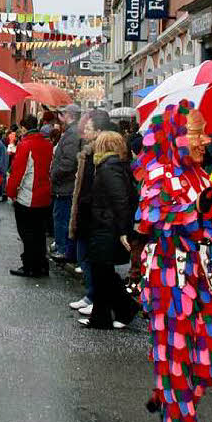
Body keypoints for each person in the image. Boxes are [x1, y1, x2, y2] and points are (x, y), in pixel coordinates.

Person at [133, 102, 212, 422]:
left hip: (203, 275)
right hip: (171, 281)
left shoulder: (199, 174)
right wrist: (201, 207)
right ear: (176, 137)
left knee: (209, 352)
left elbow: (208, 223)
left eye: (205, 132)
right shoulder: (158, 175)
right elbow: (156, 220)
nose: (206, 140)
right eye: (197, 133)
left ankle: (166, 396)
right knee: (177, 356)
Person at [79, 131, 139, 329]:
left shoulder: (108, 168)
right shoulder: (113, 166)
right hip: (107, 227)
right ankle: (115, 312)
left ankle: (112, 313)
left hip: (106, 228)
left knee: (102, 274)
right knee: (104, 274)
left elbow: (120, 200)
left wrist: (123, 230)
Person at [67, 110, 114, 313]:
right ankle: (91, 295)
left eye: (88, 129)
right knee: (83, 256)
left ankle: (97, 298)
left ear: (99, 131)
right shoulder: (87, 152)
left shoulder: (103, 157)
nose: (84, 131)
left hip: (95, 216)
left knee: (93, 259)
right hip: (85, 212)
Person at [7, 114, 53, 278]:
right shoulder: (47, 144)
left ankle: (30, 266)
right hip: (44, 195)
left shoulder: (26, 145)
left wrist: (11, 192)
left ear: (24, 128)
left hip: (28, 196)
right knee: (39, 233)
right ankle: (41, 265)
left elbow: (18, 172)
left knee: (27, 233)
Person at [49, 104, 82, 262]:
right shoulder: (72, 133)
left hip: (65, 186)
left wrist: (54, 175)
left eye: (62, 114)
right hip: (65, 185)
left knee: (62, 218)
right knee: (62, 217)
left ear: (69, 115)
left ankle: (63, 250)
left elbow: (68, 163)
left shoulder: (72, 134)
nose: (60, 117)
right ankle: (63, 247)